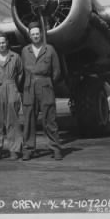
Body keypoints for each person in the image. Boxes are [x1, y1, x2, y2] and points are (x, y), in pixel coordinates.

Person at [21, 22, 63, 160]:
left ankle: (55, 148)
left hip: (45, 86)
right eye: (32, 34)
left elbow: (56, 71)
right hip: (29, 88)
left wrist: (47, 83)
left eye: (37, 34)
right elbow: (22, 71)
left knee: (49, 119)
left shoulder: (50, 49)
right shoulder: (25, 51)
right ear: (29, 36)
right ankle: (28, 149)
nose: (35, 36)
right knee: (29, 120)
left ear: (41, 34)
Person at [0, 33, 24, 161]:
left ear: (7, 42)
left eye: (3, 42)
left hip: (11, 87)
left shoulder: (15, 56)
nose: (1, 45)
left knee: (12, 120)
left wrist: (12, 86)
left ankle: (14, 149)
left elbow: (20, 74)